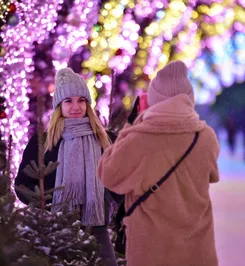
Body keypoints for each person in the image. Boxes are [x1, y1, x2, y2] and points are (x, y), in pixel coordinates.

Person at [98, 60, 220, 266]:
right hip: (196, 249)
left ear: (154, 99)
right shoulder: (205, 136)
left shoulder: (139, 137)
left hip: (152, 250)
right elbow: (212, 175)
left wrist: (131, 125)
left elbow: (108, 175)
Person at [15, 68, 118, 266]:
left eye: (81, 100)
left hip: (96, 228)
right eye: (68, 101)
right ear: (59, 106)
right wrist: (46, 204)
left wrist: (109, 201)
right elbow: (22, 185)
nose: (75, 106)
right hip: (55, 231)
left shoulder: (106, 139)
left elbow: (123, 178)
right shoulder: (42, 143)